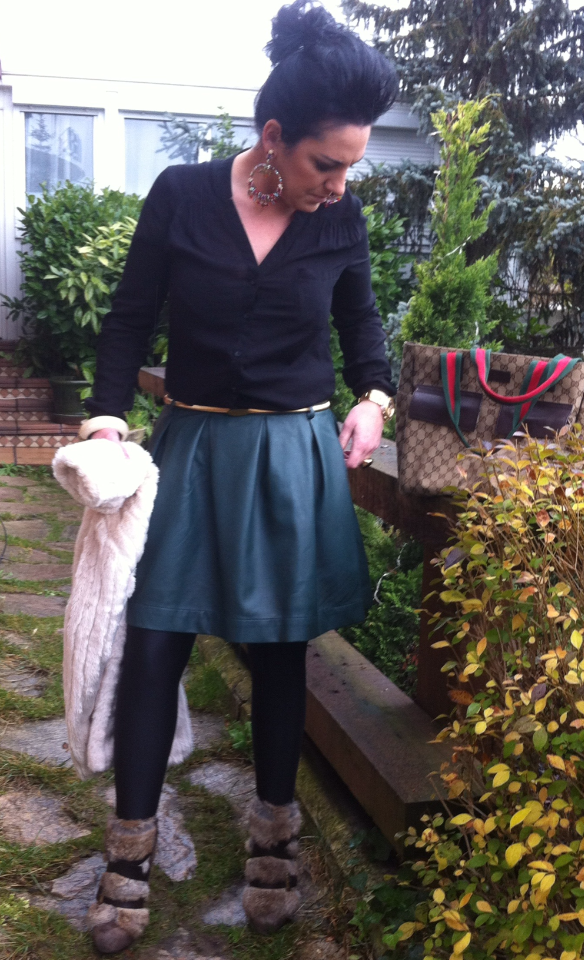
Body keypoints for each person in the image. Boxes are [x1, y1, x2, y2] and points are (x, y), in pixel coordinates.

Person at [80, 1, 398, 953]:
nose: (339, 184)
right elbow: (129, 318)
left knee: (279, 654)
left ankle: (273, 843)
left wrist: (374, 398)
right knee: (155, 643)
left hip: (293, 455)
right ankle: (127, 857)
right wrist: (105, 414)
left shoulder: (341, 220)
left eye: (351, 166)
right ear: (273, 138)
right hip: (190, 447)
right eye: (325, 164)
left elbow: (360, 324)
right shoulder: (181, 195)